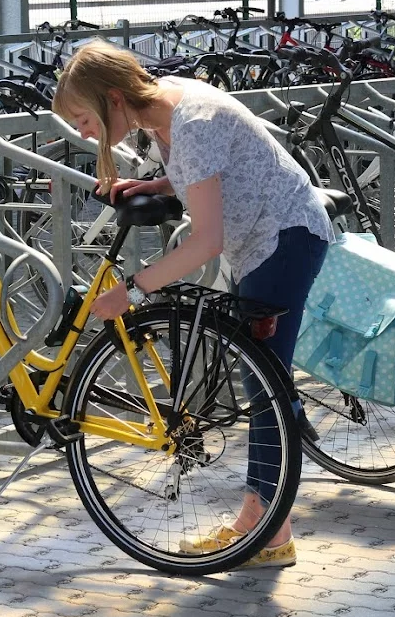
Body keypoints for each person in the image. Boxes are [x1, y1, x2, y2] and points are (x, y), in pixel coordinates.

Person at [51, 40, 333, 569]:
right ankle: (267, 524)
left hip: (284, 239)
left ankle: (268, 532)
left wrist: (131, 291)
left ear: (114, 99)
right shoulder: (165, 107)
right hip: (267, 239)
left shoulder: (192, 122)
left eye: (84, 119)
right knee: (265, 382)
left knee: (266, 384)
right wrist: (160, 183)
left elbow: (205, 242)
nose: (84, 133)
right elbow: (207, 175)